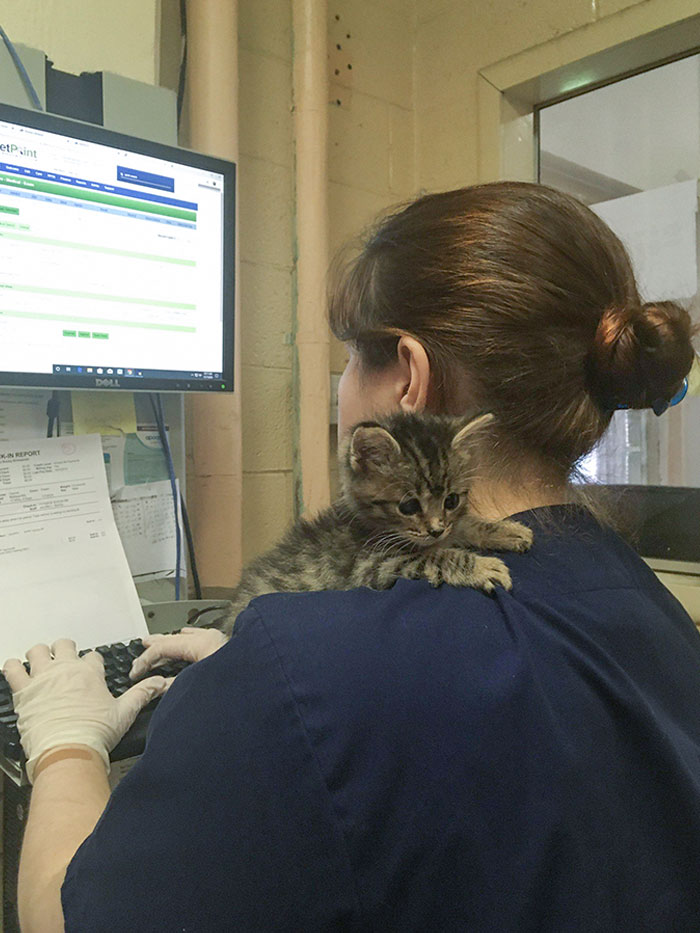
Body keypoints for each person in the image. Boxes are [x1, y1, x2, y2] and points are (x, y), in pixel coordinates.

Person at [6, 181, 700, 932]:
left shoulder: (301, 669)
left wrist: (66, 744)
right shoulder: (647, 602)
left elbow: (67, 918)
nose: (340, 390)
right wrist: (251, 679)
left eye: (347, 361)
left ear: (407, 376)